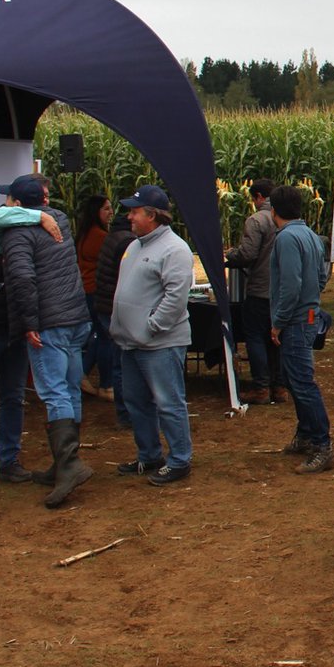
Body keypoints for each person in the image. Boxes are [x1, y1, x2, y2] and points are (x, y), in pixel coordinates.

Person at [1, 174, 94, 507]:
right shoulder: (61, 221)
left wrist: (28, 323)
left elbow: (23, 278)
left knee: (53, 391)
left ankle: (69, 466)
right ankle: (63, 462)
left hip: (49, 323)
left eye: (8, 199)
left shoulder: (17, 234)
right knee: (70, 388)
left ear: (16, 204)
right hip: (75, 317)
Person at [109, 184, 195, 486]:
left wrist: (152, 327)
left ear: (153, 215)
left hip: (160, 343)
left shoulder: (175, 249)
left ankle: (180, 459)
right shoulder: (135, 245)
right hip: (131, 342)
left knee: (168, 402)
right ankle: (149, 455)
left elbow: (176, 297)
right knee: (136, 401)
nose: (129, 216)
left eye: (134, 211)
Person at [0, 196, 65, 483]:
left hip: (12, 329)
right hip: (8, 327)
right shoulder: (6, 225)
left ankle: (8, 459)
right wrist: (40, 218)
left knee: (13, 395)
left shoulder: (17, 236)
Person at [269, 185, 334, 474]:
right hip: (307, 316)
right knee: (296, 381)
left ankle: (322, 445)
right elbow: (321, 276)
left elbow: (290, 285)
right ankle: (307, 435)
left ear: (273, 210)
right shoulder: (310, 235)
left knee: (303, 384)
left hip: (296, 320)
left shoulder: (286, 239)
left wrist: (279, 322)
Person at [225, 179, 283, 405]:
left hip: (259, 290)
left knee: (256, 338)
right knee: (277, 340)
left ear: (259, 197)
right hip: (280, 292)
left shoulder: (257, 220)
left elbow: (248, 254)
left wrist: (232, 255)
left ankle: (261, 387)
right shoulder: (286, 219)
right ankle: (279, 387)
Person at [92, 213, 135, 429]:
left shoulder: (113, 236)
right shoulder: (126, 242)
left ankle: (126, 413)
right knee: (122, 362)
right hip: (113, 308)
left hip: (105, 305)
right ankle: (126, 414)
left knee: (114, 355)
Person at [75, 194, 114, 400]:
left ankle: (81, 372)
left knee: (97, 336)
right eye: (106, 208)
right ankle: (106, 384)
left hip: (87, 290)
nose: (110, 212)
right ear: (96, 211)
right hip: (96, 291)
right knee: (105, 337)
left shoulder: (84, 233)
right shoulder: (99, 237)